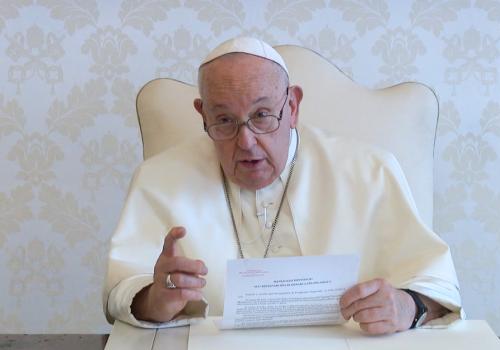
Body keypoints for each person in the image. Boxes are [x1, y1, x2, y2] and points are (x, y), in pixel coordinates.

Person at [103, 37, 463, 335]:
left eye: (262, 115)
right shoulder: (158, 179)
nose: (245, 141)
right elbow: (123, 290)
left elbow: (437, 285)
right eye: (224, 120)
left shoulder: (370, 171)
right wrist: (155, 300)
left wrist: (407, 305)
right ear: (202, 114)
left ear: (292, 105)